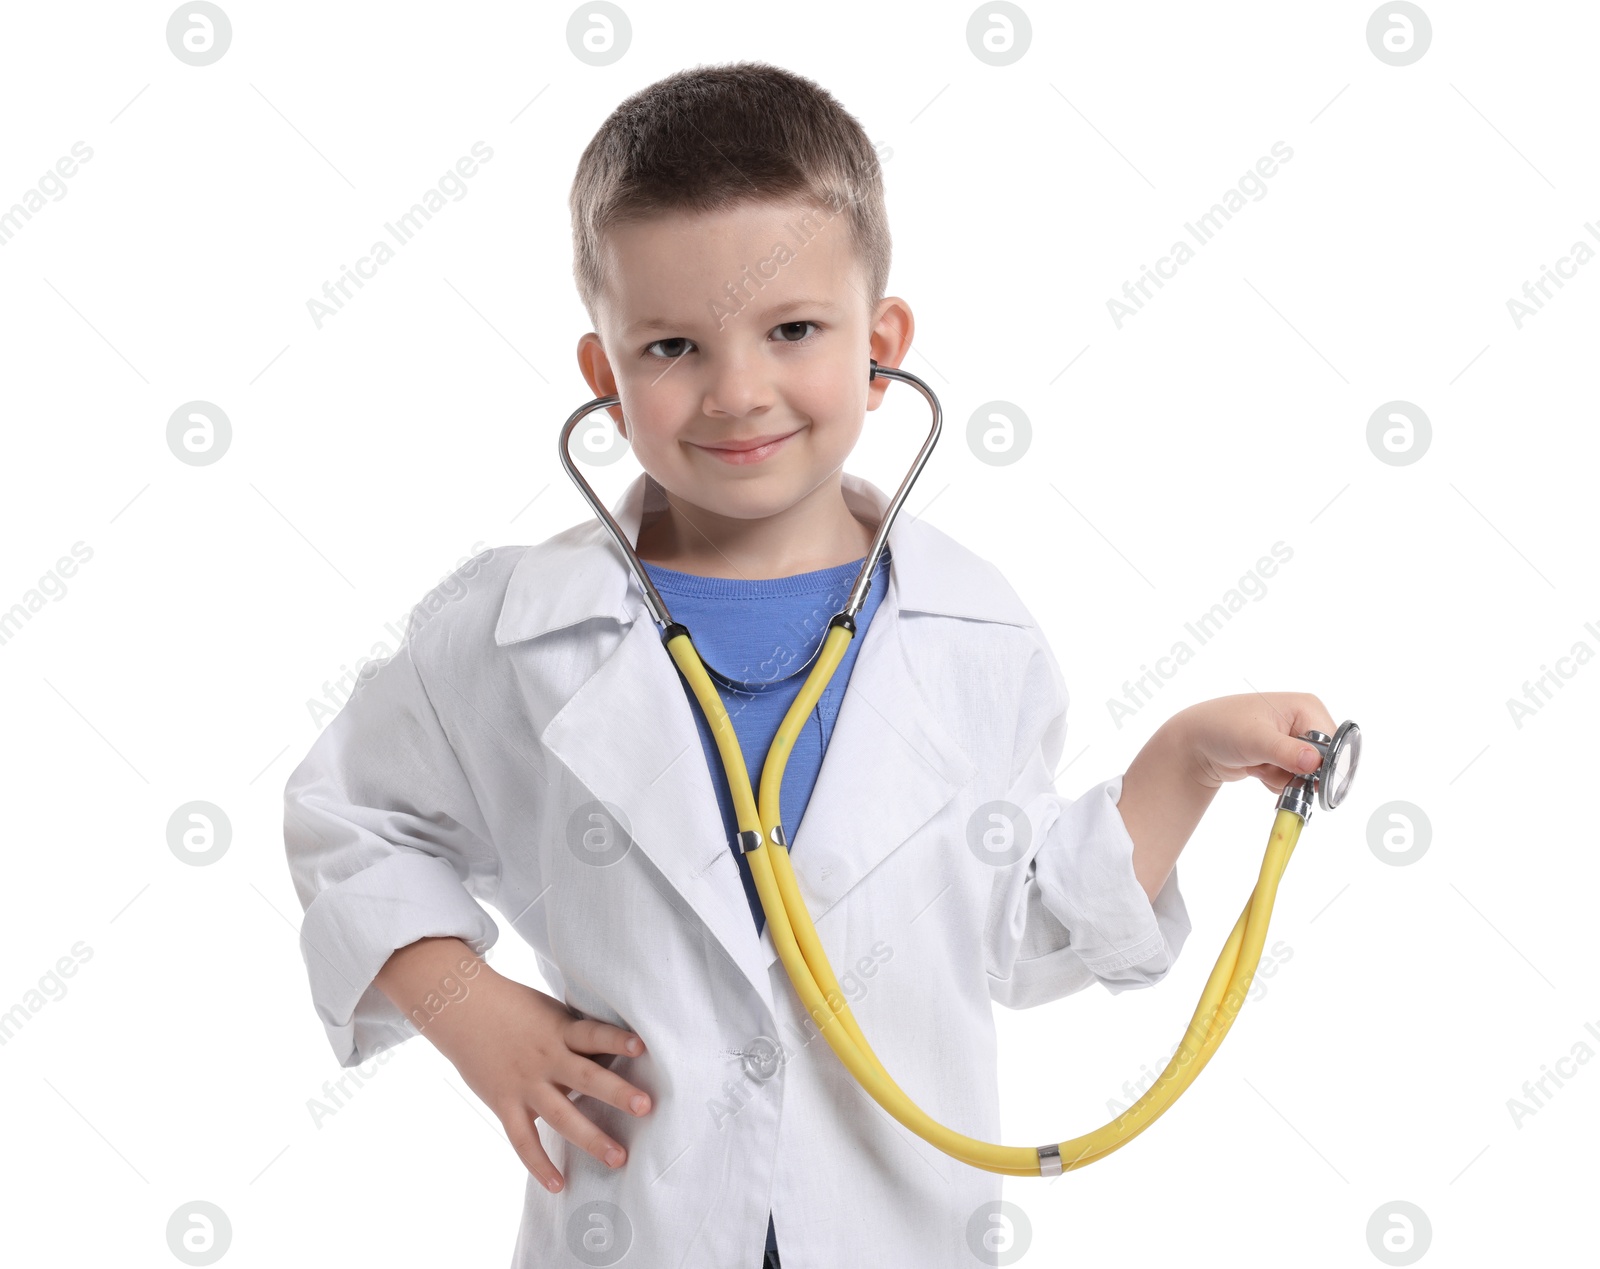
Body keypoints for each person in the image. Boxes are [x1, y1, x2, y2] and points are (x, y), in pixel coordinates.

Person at [282, 61, 1339, 1269]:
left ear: (881, 345)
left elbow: (1023, 927)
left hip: (898, 1226)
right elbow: (345, 817)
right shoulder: (512, 626)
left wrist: (1183, 760)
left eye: (792, 330)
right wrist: (470, 1014)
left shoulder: (971, 634)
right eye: (673, 345)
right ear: (604, 380)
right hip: (638, 1219)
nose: (737, 392)